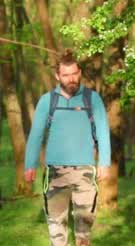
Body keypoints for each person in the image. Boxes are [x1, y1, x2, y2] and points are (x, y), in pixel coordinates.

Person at [24, 49, 111, 246]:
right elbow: (36, 135)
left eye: (74, 74)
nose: (71, 79)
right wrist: (29, 165)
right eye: (66, 75)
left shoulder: (92, 99)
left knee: (83, 232)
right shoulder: (48, 101)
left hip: (85, 173)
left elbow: (103, 132)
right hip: (55, 173)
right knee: (57, 229)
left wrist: (104, 162)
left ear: (79, 73)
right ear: (58, 76)